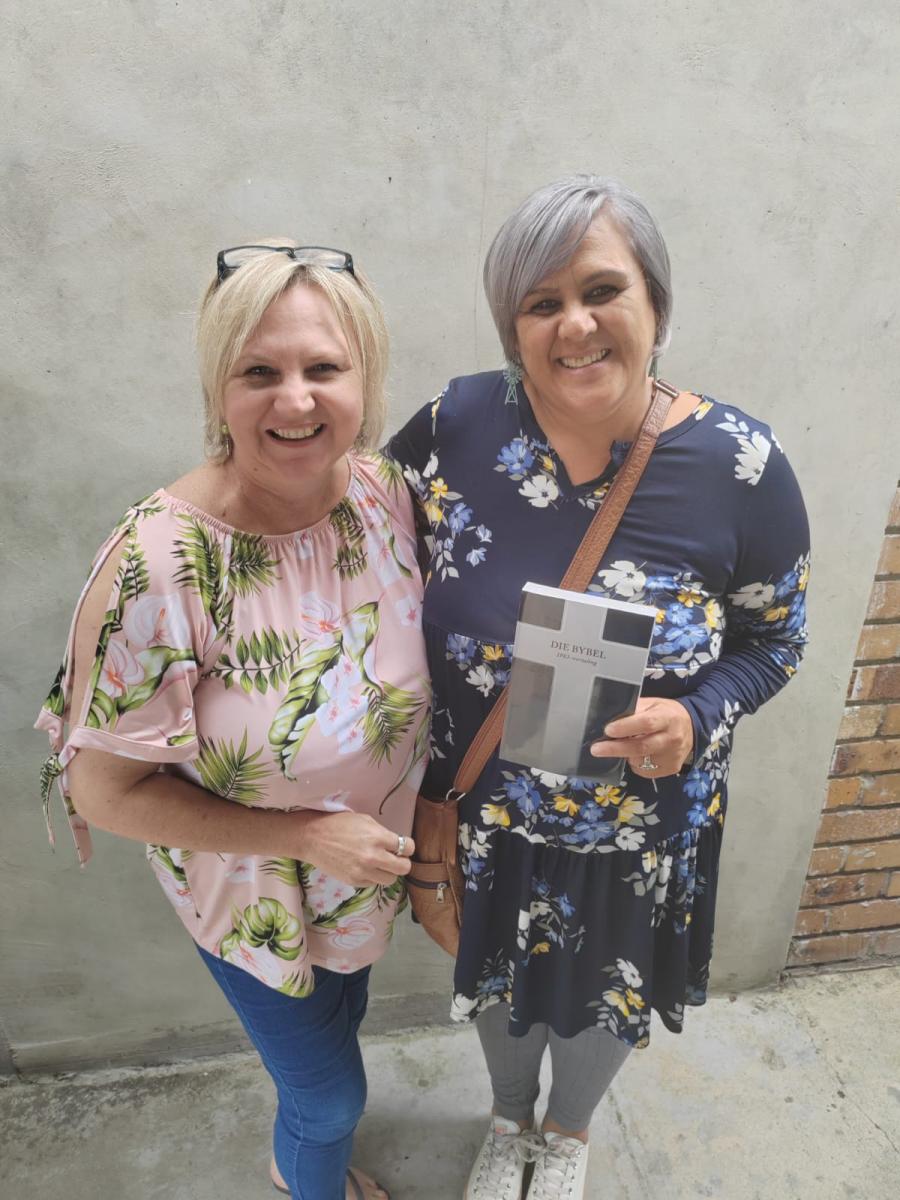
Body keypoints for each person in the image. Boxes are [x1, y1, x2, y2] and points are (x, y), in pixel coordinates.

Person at [387, 176, 810, 1200]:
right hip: (488, 813)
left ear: (655, 302)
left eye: (602, 290)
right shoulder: (457, 425)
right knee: (497, 985)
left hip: (641, 824)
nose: (573, 324)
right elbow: (353, 546)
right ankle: (507, 1121)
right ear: (513, 328)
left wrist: (696, 714)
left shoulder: (741, 466)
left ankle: (567, 1132)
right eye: (541, 303)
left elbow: (776, 639)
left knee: (605, 997)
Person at [36, 242, 431, 1200]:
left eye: (324, 367)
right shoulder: (160, 563)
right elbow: (103, 791)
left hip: (364, 876)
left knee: (341, 1026)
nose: (296, 400)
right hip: (256, 897)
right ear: (218, 386)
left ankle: (298, 1158)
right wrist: (309, 836)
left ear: (366, 380)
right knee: (329, 1100)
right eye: (259, 372)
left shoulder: (385, 497)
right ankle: (311, 1173)